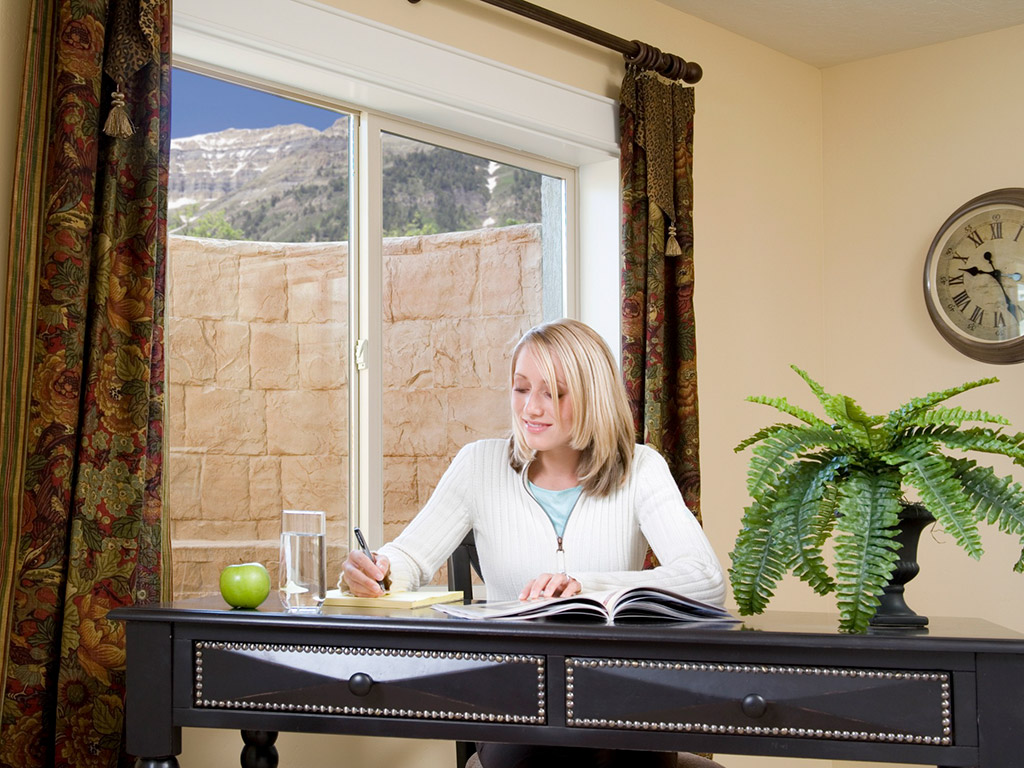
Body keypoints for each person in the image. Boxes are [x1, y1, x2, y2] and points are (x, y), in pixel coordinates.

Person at [341, 318, 726, 768]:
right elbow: (410, 556)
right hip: (514, 697)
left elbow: (705, 579)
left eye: (554, 393)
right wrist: (379, 568)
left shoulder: (640, 469)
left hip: (618, 694)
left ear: (592, 396)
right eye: (522, 388)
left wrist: (584, 585)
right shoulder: (479, 466)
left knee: (616, 742)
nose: (532, 408)